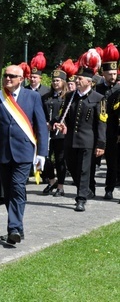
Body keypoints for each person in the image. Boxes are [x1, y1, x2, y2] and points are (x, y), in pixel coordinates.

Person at [0, 64, 48, 245]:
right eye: (5, 75)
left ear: (21, 79)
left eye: (12, 76)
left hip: (24, 152)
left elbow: (41, 126)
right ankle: (18, 228)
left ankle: (13, 229)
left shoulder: (33, 97)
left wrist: (42, 153)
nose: (8, 78)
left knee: (18, 187)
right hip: (2, 152)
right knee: (8, 192)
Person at [53, 67, 107, 211]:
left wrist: (101, 144)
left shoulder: (98, 98)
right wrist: (59, 122)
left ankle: (81, 199)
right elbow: (62, 115)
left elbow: (102, 123)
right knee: (72, 167)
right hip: (70, 139)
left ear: (89, 82)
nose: (76, 80)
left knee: (84, 170)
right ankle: (85, 190)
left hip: (87, 140)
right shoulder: (70, 96)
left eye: (79, 79)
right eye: (76, 78)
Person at [94, 44, 120, 200]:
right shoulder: (96, 89)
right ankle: (89, 187)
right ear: (103, 73)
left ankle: (109, 189)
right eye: (109, 74)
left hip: (112, 131)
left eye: (114, 74)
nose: (113, 77)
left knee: (112, 162)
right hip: (96, 130)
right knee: (91, 162)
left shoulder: (118, 90)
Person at [41, 68, 68, 197]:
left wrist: (56, 123)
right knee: (45, 158)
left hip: (61, 133)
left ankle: (61, 186)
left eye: (58, 80)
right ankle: (52, 181)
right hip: (47, 132)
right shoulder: (46, 97)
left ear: (63, 82)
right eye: (53, 81)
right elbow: (40, 112)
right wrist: (46, 123)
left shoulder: (67, 97)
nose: (55, 83)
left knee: (60, 160)